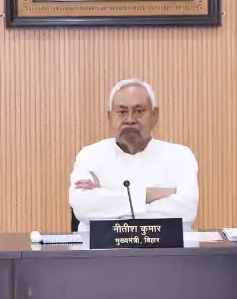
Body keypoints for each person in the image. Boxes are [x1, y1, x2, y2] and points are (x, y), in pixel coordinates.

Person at [69, 79, 198, 230]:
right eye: (122, 112)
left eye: (139, 111)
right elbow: (83, 207)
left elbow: (186, 211)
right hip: (102, 253)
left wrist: (108, 202)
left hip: (164, 252)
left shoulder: (180, 156)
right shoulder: (90, 156)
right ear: (110, 117)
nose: (130, 120)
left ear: (154, 116)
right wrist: (148, 195)